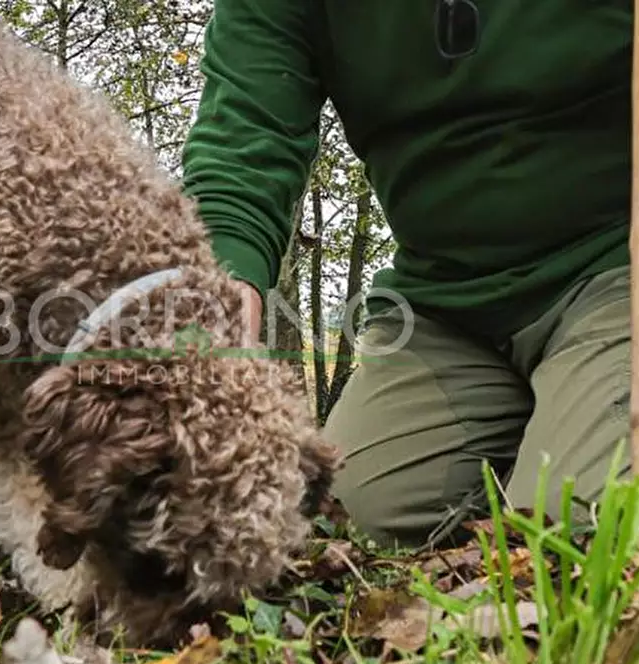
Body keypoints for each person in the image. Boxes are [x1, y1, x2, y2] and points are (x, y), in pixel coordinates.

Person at [179, 0, 632, 549]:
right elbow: (244, 143)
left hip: (615, 271)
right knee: (334, 530)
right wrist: (216, 301)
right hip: (445, 305)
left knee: (577, 532)